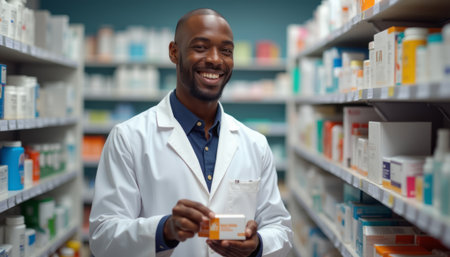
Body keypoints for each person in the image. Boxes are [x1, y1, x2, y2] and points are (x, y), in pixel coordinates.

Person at [89, 8, 293, 257]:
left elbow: (280, 228)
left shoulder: (255, 144)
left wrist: (258, 244)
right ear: (174, 52)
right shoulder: (129, 138)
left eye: (226, 51)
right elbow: (103, 237)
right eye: (201, 47)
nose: (216, 59)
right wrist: (164, 230)